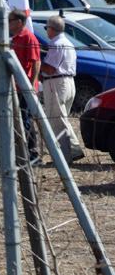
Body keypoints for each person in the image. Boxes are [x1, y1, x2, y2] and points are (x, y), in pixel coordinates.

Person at [39, 16, 84, 163]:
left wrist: (37, 62)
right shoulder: (68, 43)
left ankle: (64, 157)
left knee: (57, 121)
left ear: (52, 29)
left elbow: (50, 69)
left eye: (46, 28)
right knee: (62, 119)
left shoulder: (56, 44)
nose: (46, 31)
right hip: (68, 83)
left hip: (56, 83)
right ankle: (74, 150)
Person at [9, 9, 42, 159]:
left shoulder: (28, 37)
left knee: (25, 118)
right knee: (20, 119)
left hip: (24, 87)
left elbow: (36, 62)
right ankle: (22, 151)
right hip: (15, 86)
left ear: (19, 22)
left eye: (10, 20)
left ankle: (32, 153)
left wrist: (31, 84)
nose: (8, 23)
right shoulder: (14, 38)